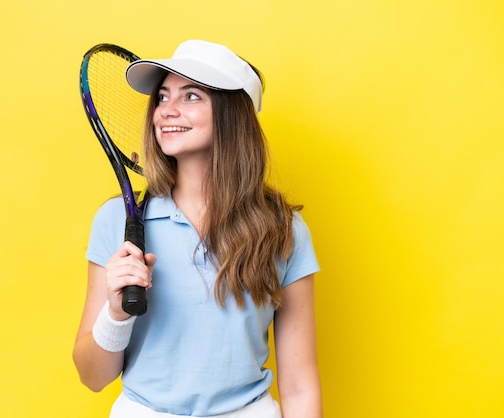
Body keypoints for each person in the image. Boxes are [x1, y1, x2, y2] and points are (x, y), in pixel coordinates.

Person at [73, 39, 322, 418]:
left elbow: (300, 386)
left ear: (230, 116)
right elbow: (92, 377)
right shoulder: (119, 221)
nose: (166, 112)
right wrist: (115, 313)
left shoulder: (282, 229)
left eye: (191, 96)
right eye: (162, 97)